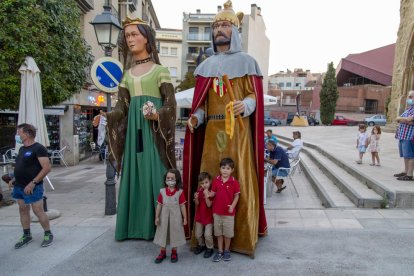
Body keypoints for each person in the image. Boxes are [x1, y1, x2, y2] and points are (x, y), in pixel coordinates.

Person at [183, 0, 266, 257]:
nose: (219, 29)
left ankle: (240, 237)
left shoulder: (248, 62)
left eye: (225, 25)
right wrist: (196, 117)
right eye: (216, 25)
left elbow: (254, 96)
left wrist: (247, 104)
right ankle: (205, 238)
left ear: (235, 31)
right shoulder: (205, 67)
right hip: (211, 133)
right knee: (206, 178)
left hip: (237, 131)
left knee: (237, 178)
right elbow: (202, 105)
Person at [102, 17, 177, 241]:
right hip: (134, 133)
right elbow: (121, 108)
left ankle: (158, 227)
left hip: (153, 132)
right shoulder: (126, 75)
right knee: (133, 174)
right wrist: (106, 117)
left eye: (135, 34)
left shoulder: (160, 70)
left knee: (154, 173)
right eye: (127, 35)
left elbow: (171, 105)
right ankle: (132, 227)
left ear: (147, 38)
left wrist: (158, 115)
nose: (130, 39)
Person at [7, 123, 53, 248]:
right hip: (19, 186)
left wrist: (33, 183)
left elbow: (47, 168)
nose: (17, 134)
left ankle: (48, 233)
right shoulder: (22, 149)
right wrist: (14, 179)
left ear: (27, 134)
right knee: (23, 209)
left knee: (38, 210)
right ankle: (27, 235)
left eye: (19, 132)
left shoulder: (39, 148)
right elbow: (21, 166)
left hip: (34, 186)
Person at [153, 169, 187, 263]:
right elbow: (159, 205)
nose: (170, 180)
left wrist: (185, 218)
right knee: (163, 234)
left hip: (175, 219)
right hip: (163, 219)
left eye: (172, 178)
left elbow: (182, 206)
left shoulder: (180, 192)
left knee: (174, 234)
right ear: (165, 179)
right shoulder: (162, 192)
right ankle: (162, 252)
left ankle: (174, 252)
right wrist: (157, 217)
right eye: (168, 178)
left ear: (177, 179)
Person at [210, 158, 240, 262]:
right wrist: (206, 193)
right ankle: (220, 251)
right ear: (220, 169)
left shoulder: (235, 182)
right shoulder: (216, 181)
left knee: (227, 234)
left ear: (232, 170)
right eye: (223, 168)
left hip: (229, 214)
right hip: (217, 213)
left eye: (228, 168)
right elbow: (212, 194)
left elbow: (236, 196)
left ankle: (227, 250)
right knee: (219, 233)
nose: (225, 170)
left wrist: (232, 206)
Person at [193, 172, 214, 258]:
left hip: (209, 217)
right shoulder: (199, 190)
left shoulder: (212, 192)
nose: (204, 185)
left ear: (210, 182)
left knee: (208, 235)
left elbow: (209, 205)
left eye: (206, 182)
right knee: (198, 234)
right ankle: (201, 245)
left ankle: (210, 248)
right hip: (200, 216)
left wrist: (206, 195)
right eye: (202, 183)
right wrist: (196, 198)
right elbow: (197, 204)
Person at [394, 90, 414, 181]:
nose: (409, 98)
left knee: (410, 155)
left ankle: (409, 174)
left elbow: (411, 121)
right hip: (402, 136)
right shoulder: (409, 109)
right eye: (409, 96)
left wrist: (404, 120)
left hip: (410, 136)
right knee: (406, 155)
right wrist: (406, 119)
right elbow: (397, 118)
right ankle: (405, 172)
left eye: (411, 97)